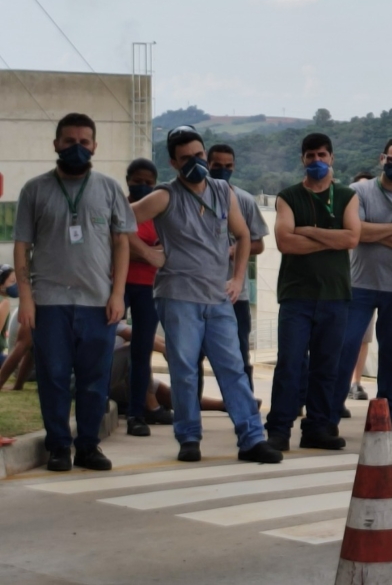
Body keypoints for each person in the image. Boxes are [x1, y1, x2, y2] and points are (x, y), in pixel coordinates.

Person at [132, 126, 280, 464]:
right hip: (177, 296)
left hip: (217, 297)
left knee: (233, 368)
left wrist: (238, 278)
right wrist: (147, 253)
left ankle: (252, 439)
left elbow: (244, 236)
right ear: (173, 162)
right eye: (186, 159)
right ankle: (189, 438)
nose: (195, 163)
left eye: (199, 156)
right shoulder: (164, 195)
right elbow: (120, 221)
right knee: (184, 370)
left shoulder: (223, 190)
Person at [13, 113, 135, 471]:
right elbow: (22, 247)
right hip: (49, 303)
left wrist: (118, 295)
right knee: (52, 378)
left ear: (95, 146)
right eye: (69, 142)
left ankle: (88, 447)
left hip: (98, 303)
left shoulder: (109, 189)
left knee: (94, 380)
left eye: (84, 142)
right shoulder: (34, 189)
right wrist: (26, 299)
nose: (77, 149)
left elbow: (122, 245)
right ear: (56, 144)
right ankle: (57, 447)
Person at [266, 133, 361, 452]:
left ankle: (318, 428)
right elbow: (285, 242)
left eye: (322, 155)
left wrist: (307, 231)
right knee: (290, 364)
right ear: (303, 159)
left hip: (335, 295)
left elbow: (351, 240)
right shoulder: (288, 196)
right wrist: (329, 236)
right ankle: (279, 429)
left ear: (332, 158)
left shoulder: (347, 196)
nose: (317, 161)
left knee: (326, 366)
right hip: (297, 295)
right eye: (310, 156)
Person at [333, 139, 392, 439]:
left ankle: (388, 415)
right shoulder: (358, 191)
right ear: (382, 159)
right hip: (360, 284)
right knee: (346, 347)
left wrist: (372, 231)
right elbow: (354, 232)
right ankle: (331, 411)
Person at [207, 144, 271, 390]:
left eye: (228, 166)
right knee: (194, 357)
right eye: (217, 166)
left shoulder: (243, 200)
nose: (223, 171)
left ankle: (245, 405)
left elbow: (258, 244)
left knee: (240, 352)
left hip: (236, 294)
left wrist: (234, 250)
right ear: (207, 164)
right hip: (198, 292)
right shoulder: (192, 198)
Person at [123, 159, 168, 437]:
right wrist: (149, 252)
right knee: (102, 348)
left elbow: (167, 249)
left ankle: (136, 414)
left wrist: (136, 249)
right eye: (137, 181)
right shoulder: (120, 208)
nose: (143, 186)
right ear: (128, 180)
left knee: (141, 353)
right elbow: (116, 240)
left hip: (148, 288)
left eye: (148, 182)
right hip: (117, 285)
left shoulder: (158, 211)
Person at [346, 172, 376, 404]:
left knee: (364, 338)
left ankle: (356, 382)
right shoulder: (345, 214)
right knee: (343, 338)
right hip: (343, 283)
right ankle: (342, 383)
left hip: (367, 282)